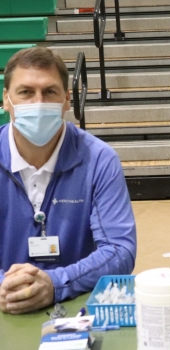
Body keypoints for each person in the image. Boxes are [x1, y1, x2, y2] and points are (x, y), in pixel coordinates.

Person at [0, 47, 137, 314]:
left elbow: (120, 250)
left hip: (77, 311)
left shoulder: (99, 159)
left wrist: (55, 283)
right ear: (6, 100)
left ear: (66, 100)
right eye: (25, 92)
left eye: (49, 92)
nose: (37, 103)